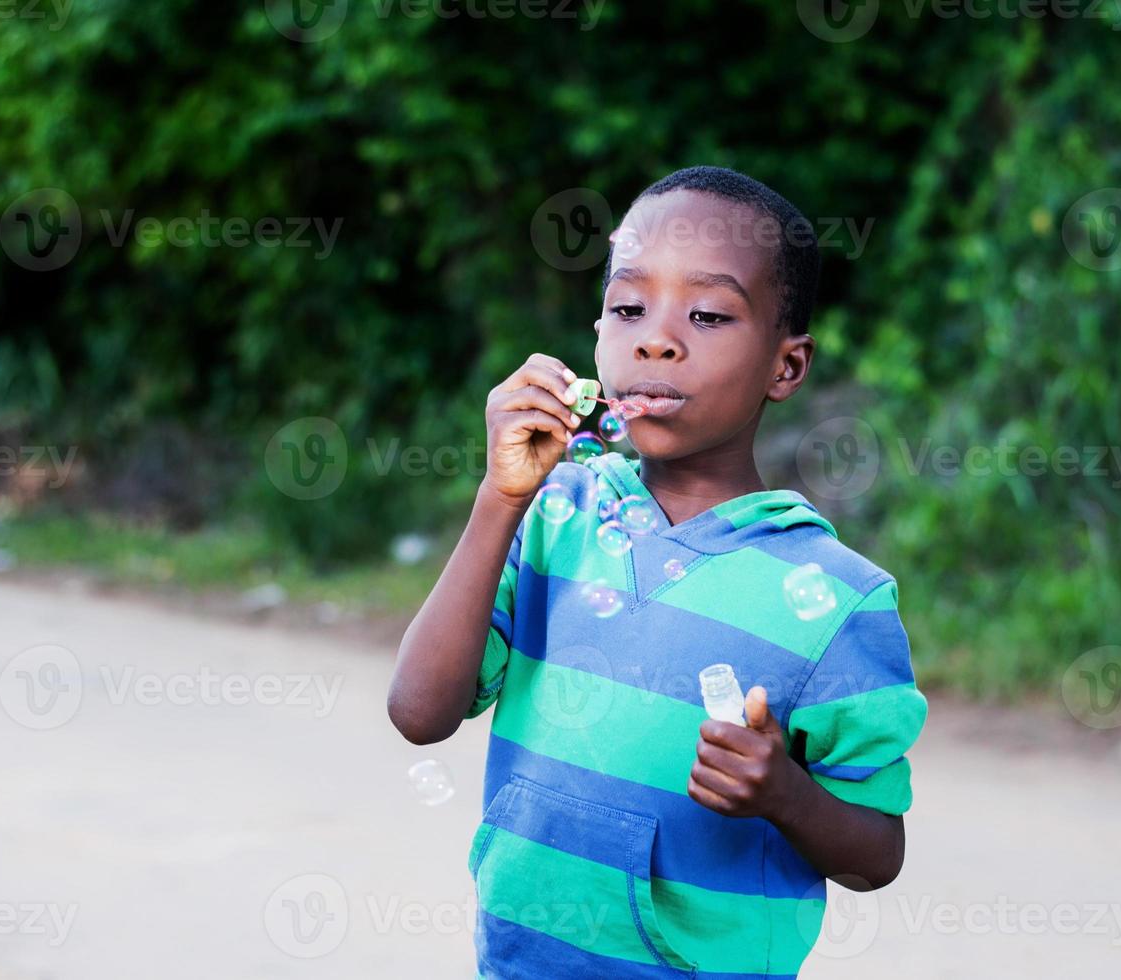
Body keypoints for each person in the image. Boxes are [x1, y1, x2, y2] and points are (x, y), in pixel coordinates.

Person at [388, 165, 928, 979]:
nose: (655, 338)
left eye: (707, 314)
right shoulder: (554, 517)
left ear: (786, 366)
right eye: (628, 307)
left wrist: (784, 794)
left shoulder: (835, 601)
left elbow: (875, 854)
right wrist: (499, 499)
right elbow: (420, 712)